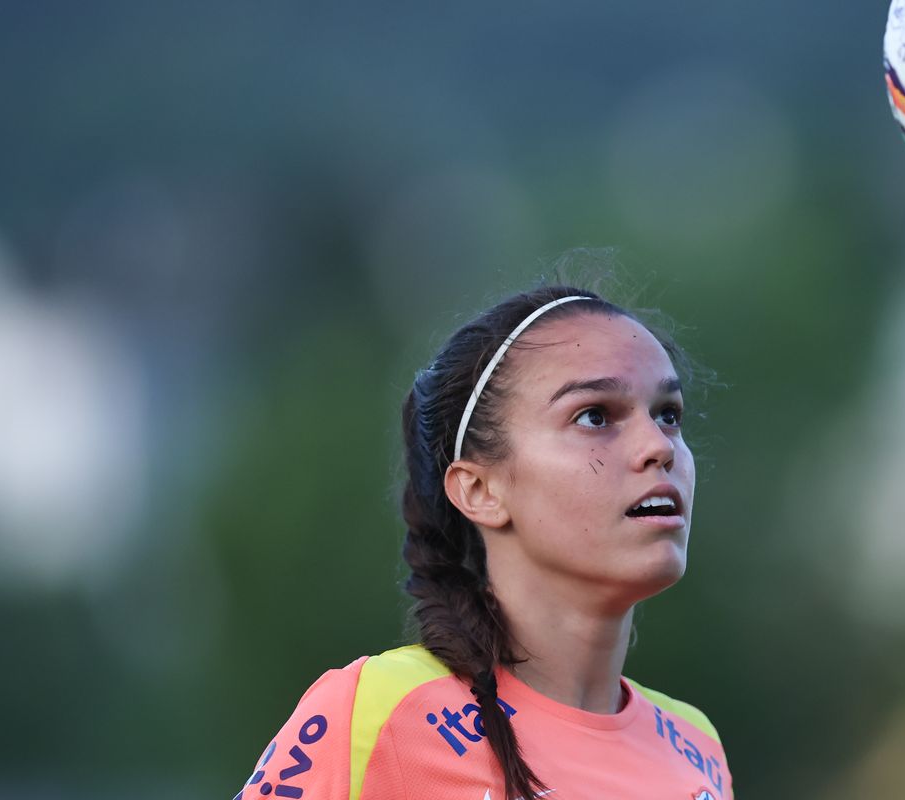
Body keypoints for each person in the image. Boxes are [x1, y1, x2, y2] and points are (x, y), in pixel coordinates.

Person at [234, 285, 732, 800]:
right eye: (595, 416)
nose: (658, 446)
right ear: (478, 490)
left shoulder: (696, 749)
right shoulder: (377, 712)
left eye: (668, 414)